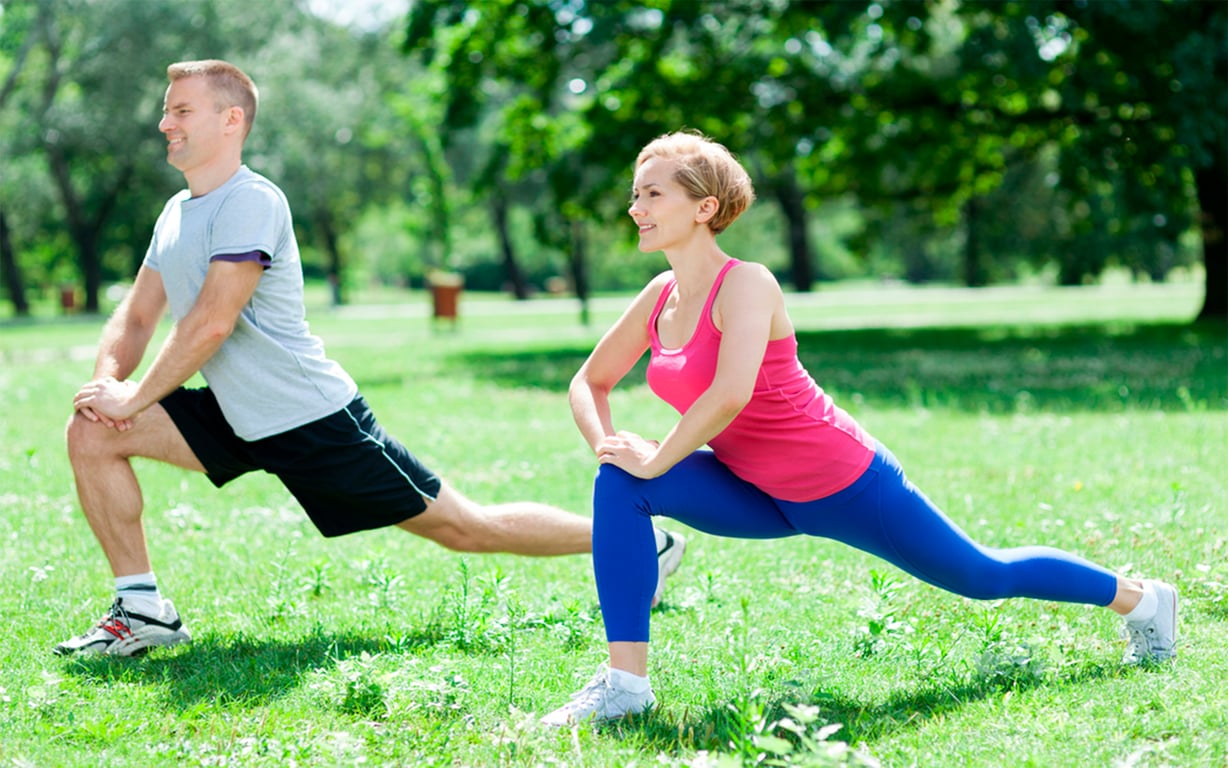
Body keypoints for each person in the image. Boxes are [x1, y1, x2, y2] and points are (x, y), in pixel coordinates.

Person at [540, 131, 1179, 726]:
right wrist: (614, 448)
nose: (636, 207)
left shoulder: (747, 284)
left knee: (984, 576)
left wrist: (659, 457)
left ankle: (1143, 600)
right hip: (753, 489)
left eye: (652, 193)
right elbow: (588, 382)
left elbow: (730, 394)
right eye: (635, 194)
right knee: (619, 483)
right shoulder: (658, 296)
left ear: (705, 207)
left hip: (841, 481)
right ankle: (626, 687)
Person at [56, 60, 686, 657]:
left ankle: (642, 543)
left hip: (309, 418)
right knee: (92, 432)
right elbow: (139, 315)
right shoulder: (175, 213)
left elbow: (211, 323)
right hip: (235, 413)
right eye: (166, 112)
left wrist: (135, 398)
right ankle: (141, 611)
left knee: (466, 527)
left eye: (181, 111)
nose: (166, 123)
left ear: (231, 121)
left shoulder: (252, 201)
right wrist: (105, 388)